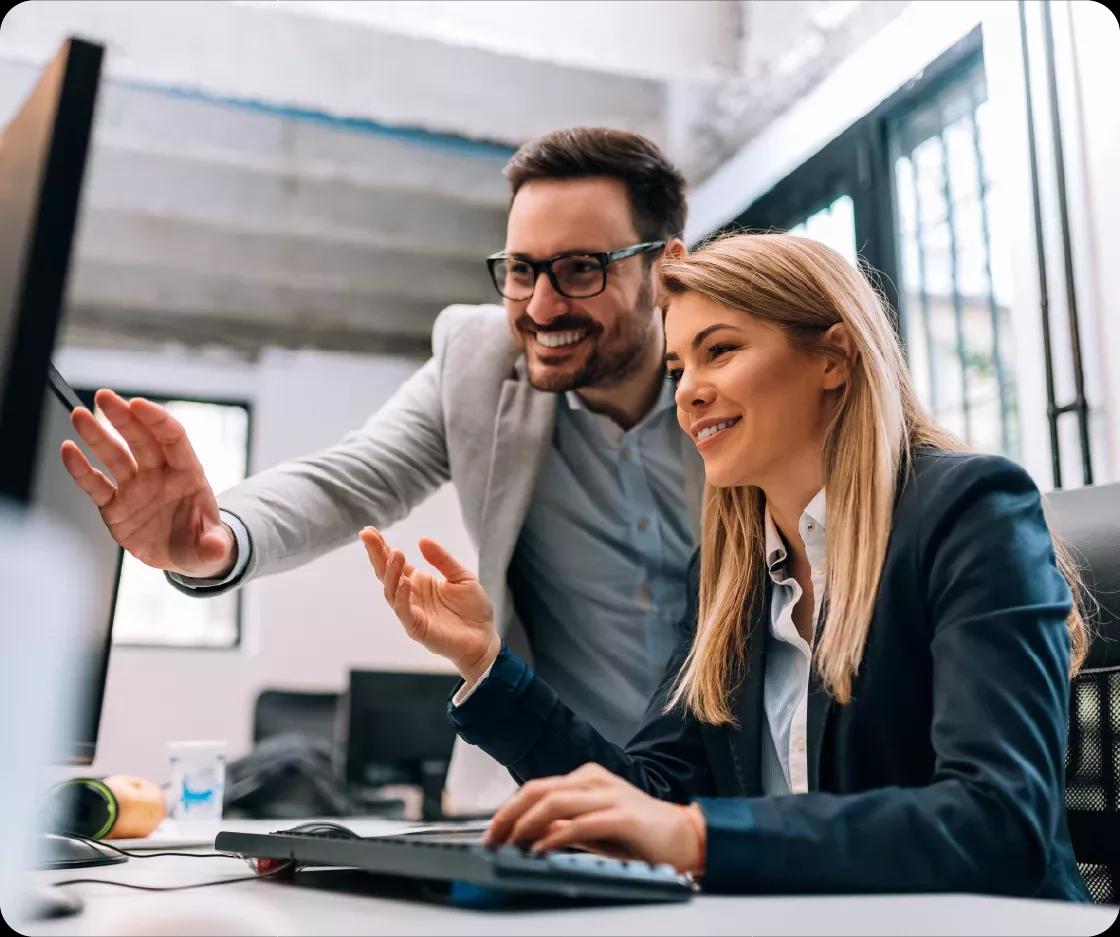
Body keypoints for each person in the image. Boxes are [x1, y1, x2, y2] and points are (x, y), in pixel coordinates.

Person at [360, 232, 1091, 899]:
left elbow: (999, 819)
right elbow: (648, 796)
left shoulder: (970, 512)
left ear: (832, 357)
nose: (688, 392)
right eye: (679, 365)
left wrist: (700, 838)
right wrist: (487, 664)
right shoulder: (726, 574)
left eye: (721, 351)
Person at [58, 127, 703, 811]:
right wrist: (218, 537)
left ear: (664, 268)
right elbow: (352, 476)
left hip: (739, 787)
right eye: (521, 270)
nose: (541, 307)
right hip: (555, 789)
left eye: (581, 269)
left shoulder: (738, 378)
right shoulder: (479, 362)